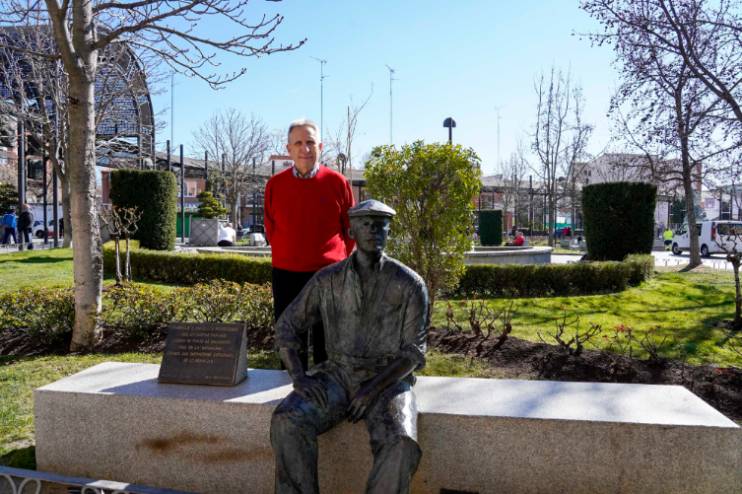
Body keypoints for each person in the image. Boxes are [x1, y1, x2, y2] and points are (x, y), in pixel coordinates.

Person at [271, 200, 428, 494]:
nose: (373, 230)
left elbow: (413, 352)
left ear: (389, 231)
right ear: (351, 231)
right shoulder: (326, 280)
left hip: (387, 380)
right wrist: (299, 377)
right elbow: (287, 326)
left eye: (380, 225)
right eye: (365, 224)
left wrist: (371, 389)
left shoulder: (410, 283)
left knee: (401, 443)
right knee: (287, 420)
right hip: (337, 375)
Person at [264, 118, 355, 371]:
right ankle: (289, 388)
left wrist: (337, 259)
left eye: (310, 142)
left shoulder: (338, 182)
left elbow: (351, 229)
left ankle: (329, 388)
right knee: (291, 343)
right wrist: (287, 251)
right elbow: (271, 226)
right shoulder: (275, 185)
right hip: (286, 274)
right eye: (298, 143)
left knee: (329, 343)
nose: (305, 148)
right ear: (288, 149)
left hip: (330, 275)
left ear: (320, 147)